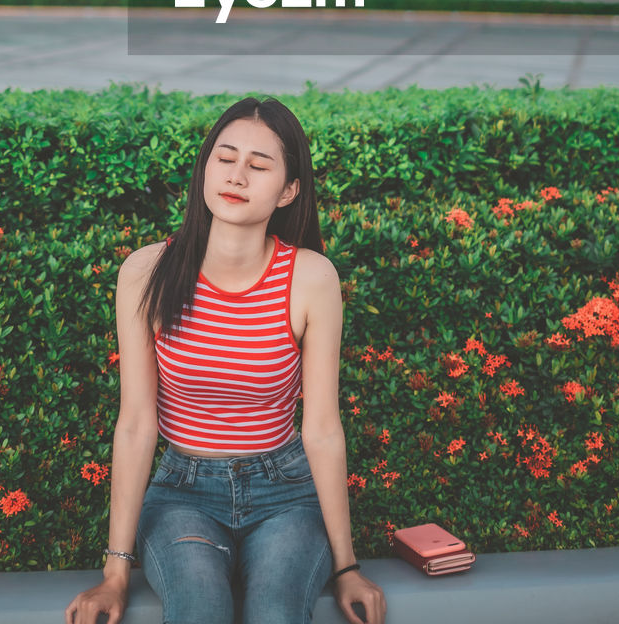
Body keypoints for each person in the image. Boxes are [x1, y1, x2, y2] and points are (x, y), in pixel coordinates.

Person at [64, 96, 386, 624]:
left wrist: (347, 566)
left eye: (259, 166)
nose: (237, 175)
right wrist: (116, 572)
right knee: (198, 612)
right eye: (225, 157)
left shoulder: (310, 278)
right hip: (182, 495)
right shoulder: (147, 272)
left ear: (288, 190)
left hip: (286, 493)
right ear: (205, 167)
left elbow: (323, 429)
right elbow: (137, 424)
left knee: (277, 614)